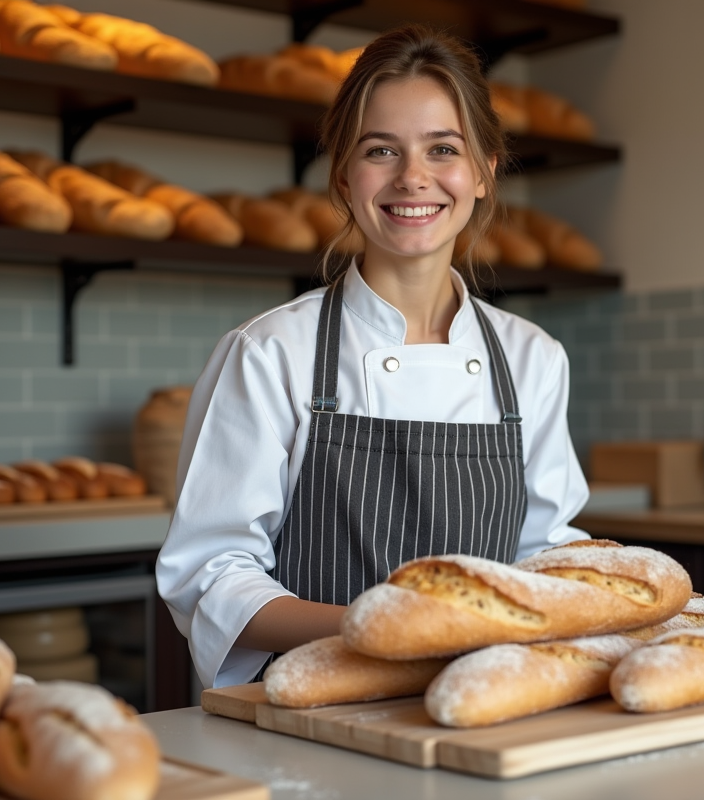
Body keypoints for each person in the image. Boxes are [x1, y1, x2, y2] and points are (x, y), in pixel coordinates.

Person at [157, 24, 591, 690]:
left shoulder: (532, 359)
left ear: (483, 172)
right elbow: (211, 576)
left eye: (443, 149)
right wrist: (383, 629)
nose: (412, 177)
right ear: (343, 176)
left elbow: (545, 556)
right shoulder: (270, 353)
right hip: (312, 711)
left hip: (481, 704)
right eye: (381, 150)